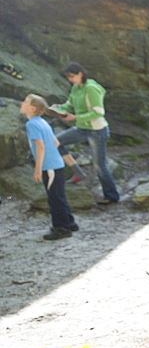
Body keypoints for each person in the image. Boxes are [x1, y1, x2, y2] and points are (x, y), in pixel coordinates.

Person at [54, 63, 115, 200]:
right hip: (82, 128)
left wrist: (75, 117)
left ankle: (111, 196)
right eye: (68, 77)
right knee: (55, 142)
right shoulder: (76, 87)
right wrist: (57, 108)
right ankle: (78, 173)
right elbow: (68, 105)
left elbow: (98, 112)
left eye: (72, 76)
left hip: (97, 131)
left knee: (99, 165)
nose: (70, 79)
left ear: (80, 73)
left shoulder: (91, 88)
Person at [20, 94, 77, 240]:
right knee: (59, 195)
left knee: (54, 198)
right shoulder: (42, 122)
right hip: (56, 164)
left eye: (25, 102)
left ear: (32, 108)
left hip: (49, 166)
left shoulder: (31, 124)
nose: (22, 103)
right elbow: (56, 142)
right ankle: (69, 223)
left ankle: (61, 228)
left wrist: (38, 168)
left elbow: (40, 147)